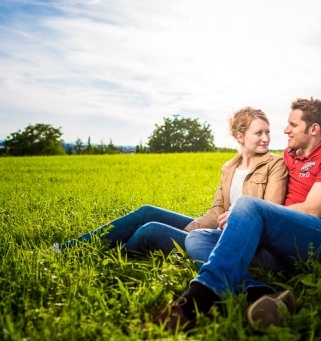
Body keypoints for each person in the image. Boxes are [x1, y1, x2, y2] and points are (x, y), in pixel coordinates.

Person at [152, 97, 321, 332]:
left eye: (293, 125)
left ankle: (196, 299)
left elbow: (312, 210)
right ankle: (258, 293)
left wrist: (247, 212)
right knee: (198, 238)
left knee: (248, 205)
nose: (285, 130)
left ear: (314, 129)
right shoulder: (289, 155)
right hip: (283, 247)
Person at [56, 107, 288, 259]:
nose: (266, 138)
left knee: (151, 231)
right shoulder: (229, 167)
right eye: (259, 133)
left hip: (236, 238)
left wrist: (222, 222)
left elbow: (270, 212)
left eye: (268, 132)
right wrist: (191, 228)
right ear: (240, 136)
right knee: (147, 212)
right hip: (214, 228)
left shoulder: (275, 165)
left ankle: (113, 258)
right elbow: (217, 209)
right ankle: (70, 248)